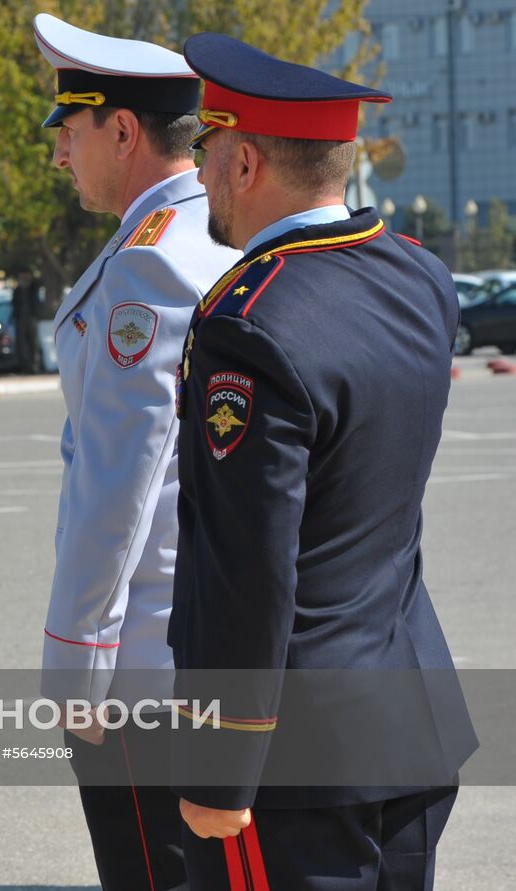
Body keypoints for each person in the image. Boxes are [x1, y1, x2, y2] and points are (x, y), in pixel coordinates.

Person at [170, 34, 477, 889]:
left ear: (244, 163)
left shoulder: (248, 322)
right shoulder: (420, 276)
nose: (197, 172)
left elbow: (249, 568)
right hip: (413, 717)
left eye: (206, 150)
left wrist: (221, 763)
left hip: (295, 766)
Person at [31, 14, 241, 891]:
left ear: (123, 131)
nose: (59, 155)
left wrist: (76, 663)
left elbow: (120, 486)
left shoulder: (150, 266)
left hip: (145, 664)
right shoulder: (222, 234)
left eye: (69, 131)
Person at [9, 269, 41, 373]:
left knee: (33, 342)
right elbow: (14, 304)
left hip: (31, 318)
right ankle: (23, 366)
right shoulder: (17, 290)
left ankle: (34, 366)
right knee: (21, 343)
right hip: (20, 319)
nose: (24, 278)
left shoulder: (33, 288)